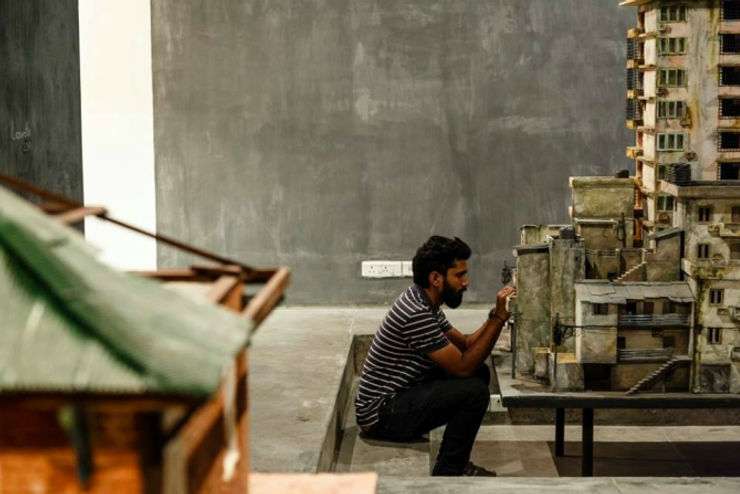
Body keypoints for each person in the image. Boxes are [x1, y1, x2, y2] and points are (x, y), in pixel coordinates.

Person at [354, 235, 515, 476]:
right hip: (380, 415)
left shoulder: (424, 300)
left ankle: (454, 460)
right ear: (436, 278)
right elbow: (462, 366)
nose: (466, 282)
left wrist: (496, 313)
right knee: (474, 392)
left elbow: (467, 343)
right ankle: (450, 470)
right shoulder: (416, 312)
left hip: (399, 396)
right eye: (459, 275)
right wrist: (500, 319)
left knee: (479, 372)